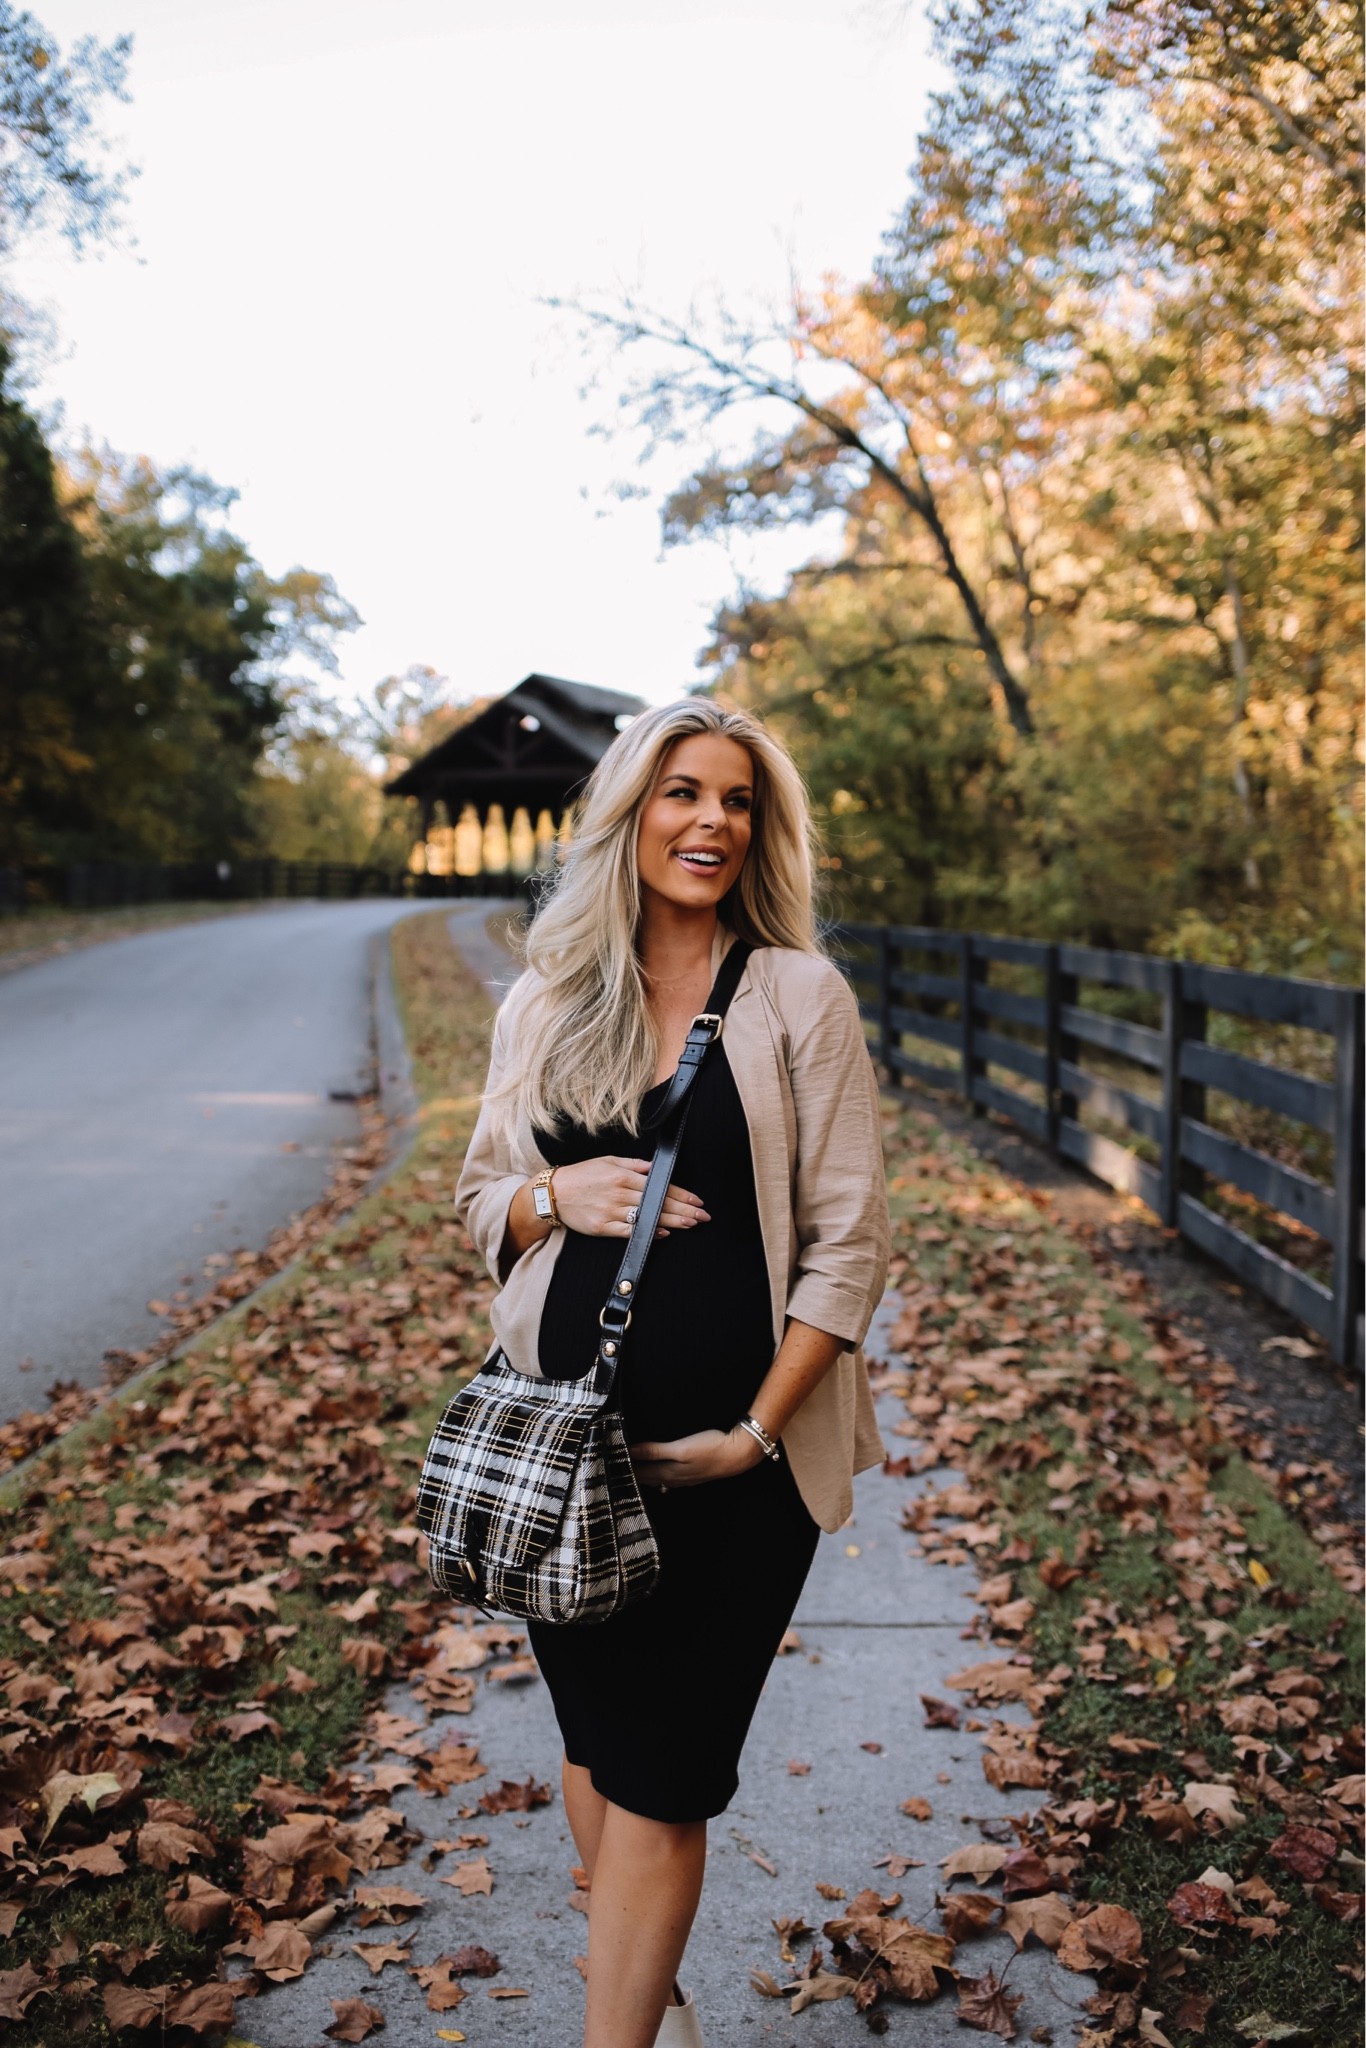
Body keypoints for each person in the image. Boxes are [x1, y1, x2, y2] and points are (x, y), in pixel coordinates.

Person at [455, 698, 890, 2048]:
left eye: (738, 800)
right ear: (629, 812)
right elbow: (479, 1200)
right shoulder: (547, 999)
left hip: (733, 1470)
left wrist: (754, 1434)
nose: (712, 821)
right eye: (683, 792)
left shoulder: (799, 996)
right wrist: (555, 1195)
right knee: (599, 1749)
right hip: (561, 1455)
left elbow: (849, 1247)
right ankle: (648, 1989)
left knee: (665, 1776)